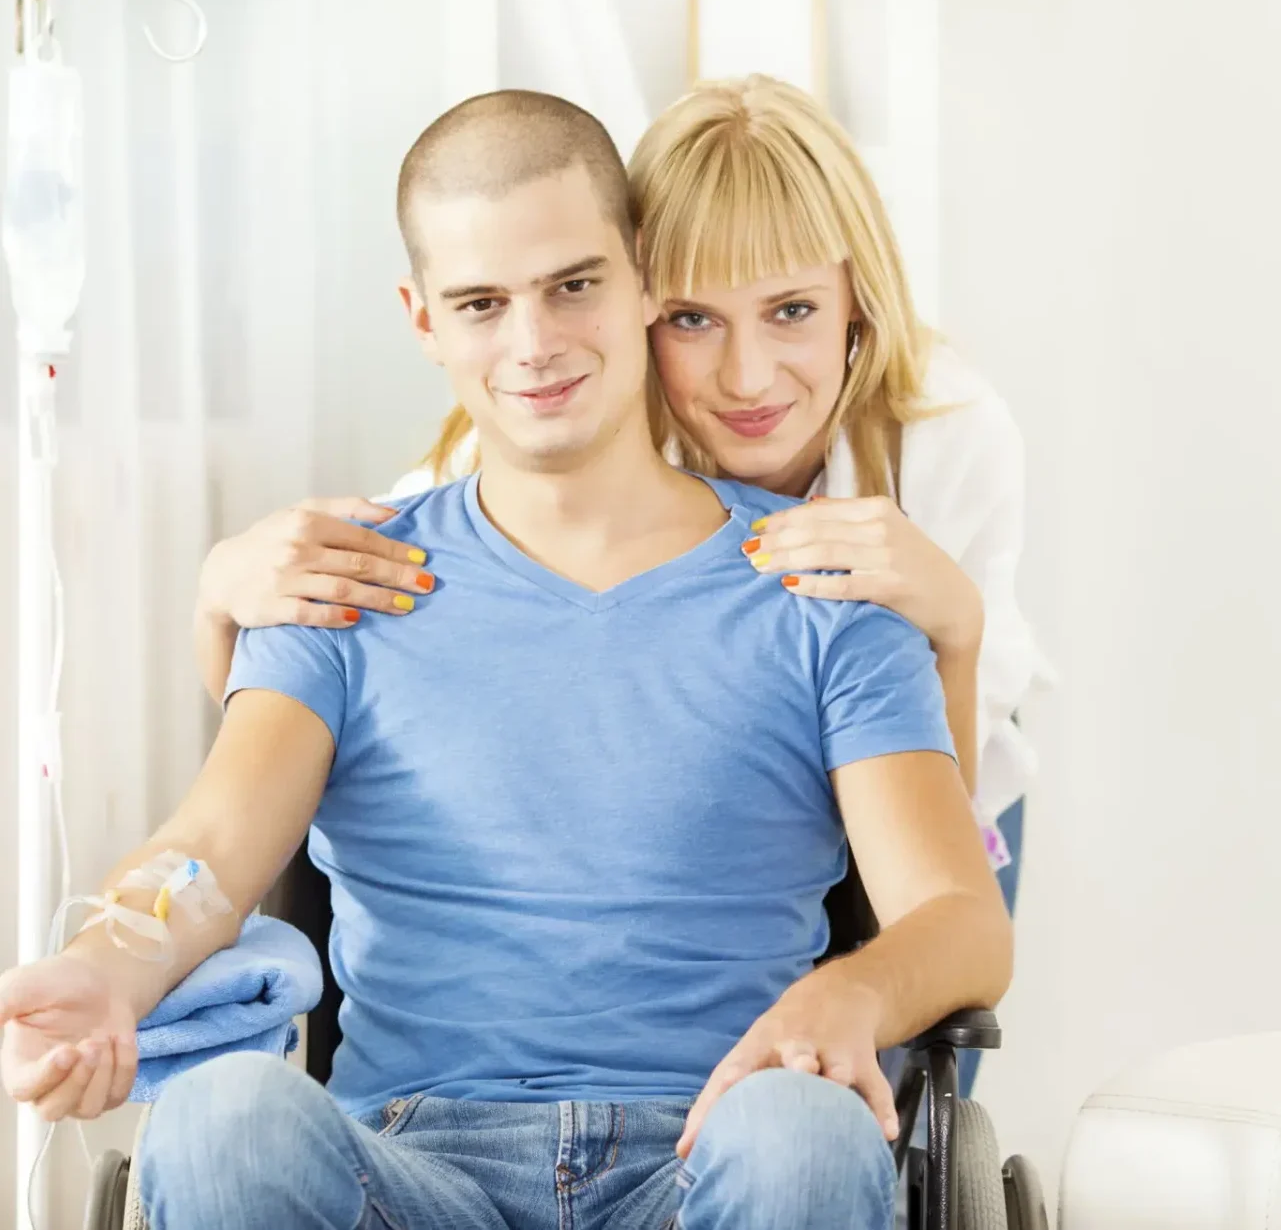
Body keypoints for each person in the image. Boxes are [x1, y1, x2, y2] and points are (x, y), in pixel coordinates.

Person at [0, 91, 1011, 1230]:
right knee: (217, 1118)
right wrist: (105, 962)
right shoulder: (343, 585)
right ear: (424, 319)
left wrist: (850, 997)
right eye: (482, 303)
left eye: (573, 286)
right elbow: (204, 857)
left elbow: (961, 917)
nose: (533, 344)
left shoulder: (829, 588)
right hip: (413, 1159)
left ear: (640, 281)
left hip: (711, 1145)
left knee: (806, 1132)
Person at [195, 75, 1048, 1095]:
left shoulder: (948, 431)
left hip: (944, 770)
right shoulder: (552, 431)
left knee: (904, 1060)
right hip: (674, 855)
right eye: (693, 318)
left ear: (857, 299)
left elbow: (923, 850)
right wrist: (217, 593)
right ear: (641, 301)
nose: (745, 377)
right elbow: (328, 672)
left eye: (791, 311)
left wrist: (952, 630)